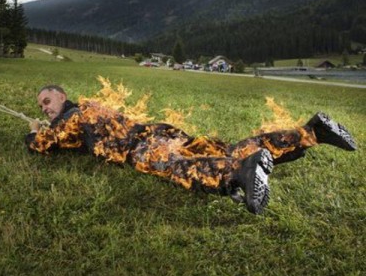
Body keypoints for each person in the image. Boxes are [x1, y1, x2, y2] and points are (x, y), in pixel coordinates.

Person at [25, 85, 357, 214]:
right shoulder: (89, 110)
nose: (44, 108)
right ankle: (310, 132)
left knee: (177, 167)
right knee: (230, 148)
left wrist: (32, 133)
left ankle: (238, 174)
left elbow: (45, 144)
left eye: (47, 101)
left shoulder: (73, 114)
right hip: (165, 132)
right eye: (41, 107)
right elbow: (71, 142)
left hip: (145, 147)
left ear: (61, 95)